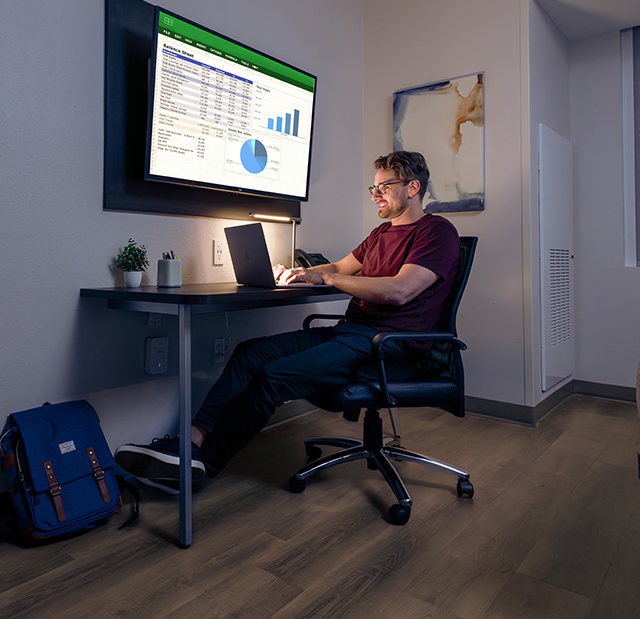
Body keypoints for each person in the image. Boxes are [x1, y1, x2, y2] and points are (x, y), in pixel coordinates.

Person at [115, 150, 461, 493]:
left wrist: (325, 280)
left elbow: (399, 291)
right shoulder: (379, 234)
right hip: (351, 334)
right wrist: (305, 272)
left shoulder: (436, 232)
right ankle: (191, 441)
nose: (375, 195)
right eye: (373, 188)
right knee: (250, 353)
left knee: (273, 378)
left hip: (388, 348)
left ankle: (204, 465)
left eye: (385, 187)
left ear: (413, 187)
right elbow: (341, 268)